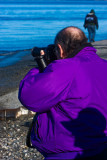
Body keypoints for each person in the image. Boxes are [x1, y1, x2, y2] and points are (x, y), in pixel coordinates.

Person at [18, 26, 107, 160]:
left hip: (69, 151)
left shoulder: (66, 68)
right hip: (102, 147)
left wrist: (40, 66)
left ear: (59, 49)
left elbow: (28, 96)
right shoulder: (103, 64)